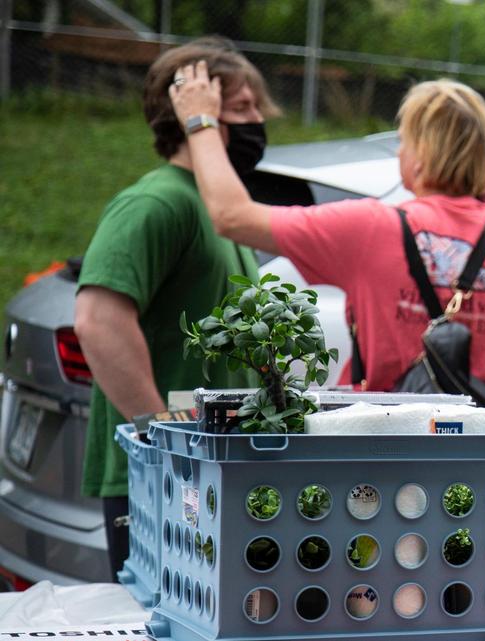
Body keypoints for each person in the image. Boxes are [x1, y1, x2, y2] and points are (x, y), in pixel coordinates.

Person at [169, 74, 485, 510]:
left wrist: (200, 121)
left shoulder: (370, 228)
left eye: (404, 142)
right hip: (472, 469)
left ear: (420, 157)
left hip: (370, 465)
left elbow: (232, 216)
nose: (400, 152)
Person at [74, 38, 276, 579]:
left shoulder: (221, 212)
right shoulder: (158, 202)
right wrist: (164, 439)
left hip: (216, 475)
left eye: (258, 108)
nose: (259, 121)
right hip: (164, 483)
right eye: (241, 109)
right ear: (189, 114)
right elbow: (98, 319)